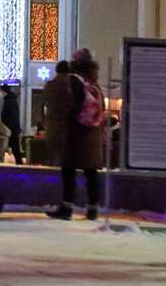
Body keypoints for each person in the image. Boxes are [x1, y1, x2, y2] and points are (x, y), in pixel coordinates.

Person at [49, 49, 104, 221]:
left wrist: (67, 119)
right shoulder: (93, 80)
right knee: (91, 171)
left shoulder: (76, 79)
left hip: (77, 131)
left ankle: (66, 207)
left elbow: (73, 105)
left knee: (68, 169)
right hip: (93, 131)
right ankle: (93, 209)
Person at [40, 61, 71, 166]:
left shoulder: (49, 86)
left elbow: (43, 107)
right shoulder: (73, 86)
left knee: (51, 156)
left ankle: (50, 180)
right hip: (68, 126)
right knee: (66, 159)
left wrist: (45, 123)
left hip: (51, 126)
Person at [0, 83, 24, 165]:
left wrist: (7, 128)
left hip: (11, 130)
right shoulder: (10, 100)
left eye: (1, 91)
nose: (0, 93)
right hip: (12, 129)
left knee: (14, 148)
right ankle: (19, 163)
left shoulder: (10, 101)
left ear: (5, 91)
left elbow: (12, 116)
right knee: (15, 148)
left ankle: (19, 163)